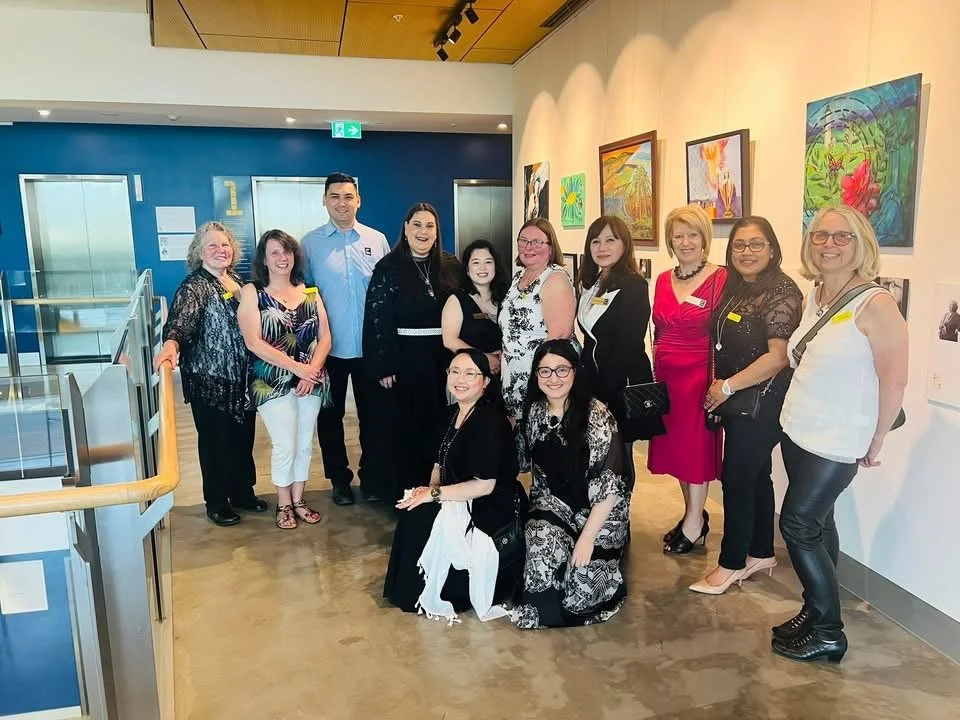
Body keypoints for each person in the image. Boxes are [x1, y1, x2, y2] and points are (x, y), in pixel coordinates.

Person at [774, 206, 908, 663]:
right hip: (799, 428)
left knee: (796, 524)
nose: (828, 244)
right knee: (819, 523)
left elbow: (895, 381)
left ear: (861, 244)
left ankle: (830, 631)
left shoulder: (877, 303)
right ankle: (815, 611)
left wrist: (877, 439)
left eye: (841, 237)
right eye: (820, 235)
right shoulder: (817, 295)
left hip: (839, 437)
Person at [690, 217, 802, 595]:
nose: (747, 252)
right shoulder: (738, 287)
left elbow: (778, 357)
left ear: (772, 249)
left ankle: (730, 564)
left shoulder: (782, 292)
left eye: (756, 244)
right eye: (739, 245)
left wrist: (728, 386)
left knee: (736, 479)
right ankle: (760, 551)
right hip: (738, 398)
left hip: (763, 401)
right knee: (755, 476)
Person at [382, 349, 524, 623]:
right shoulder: (449, 414)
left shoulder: (491, 421)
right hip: (455, 494)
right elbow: (437, 464)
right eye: (455, 371)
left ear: (485, 382)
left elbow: (485, 486)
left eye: (470, 374)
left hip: (488, 506)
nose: (461, 379)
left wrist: (434, 495)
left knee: (421, 521)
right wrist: (427, 493)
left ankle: (446, 590)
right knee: (414, 515)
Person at [512, 340, 630, 629]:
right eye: (545, 371)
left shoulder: (598, 415)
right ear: (536, 376)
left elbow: (610, 486)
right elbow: (520, 463)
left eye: (562, 370)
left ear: (576, 372)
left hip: (598, 512)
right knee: (541, 550)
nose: (553, 378)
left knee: (581, 590)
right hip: (552, 503)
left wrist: (587, 538)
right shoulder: (534, 413)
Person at [155, 222, 266, 527]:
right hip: (210, 380)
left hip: (243, 380)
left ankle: (242, 492)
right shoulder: (194, 286)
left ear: (233, 251)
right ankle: (216, 501)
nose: (220, 251)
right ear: (199, 252)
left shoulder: (240, 282)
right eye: (212, 246)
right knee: (216, 442)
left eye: (225, 245)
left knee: (242, 439)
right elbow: (179, 323)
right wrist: (171, 344)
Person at [301, 172, 390, 506]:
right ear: (324, 200)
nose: (342, 202)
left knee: (374, 418)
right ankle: (339, 479)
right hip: (329, 350)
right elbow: (305, 298)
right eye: (335, 196)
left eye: (348, 196)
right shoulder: (310, 244)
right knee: (330, 417)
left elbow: (384, 294)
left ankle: (371, 476)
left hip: (369, 350)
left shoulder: (376, 239)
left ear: (359, 200)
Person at [363, 203, 461, 504]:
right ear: (405, 229)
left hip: (443, 359)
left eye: (429, 226)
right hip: (403, 361)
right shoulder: (388, 267)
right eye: (417, 225)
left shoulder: (450, 265)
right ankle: (405, 491)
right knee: (404, 429)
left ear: (437, 231)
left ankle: (442, 490)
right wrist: (384, 365)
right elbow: (378, 317)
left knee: (442, 424)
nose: (423, 232)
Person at [238, 230, 332, 530]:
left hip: (311, 380)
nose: (282, 258)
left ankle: (299, 500)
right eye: (274, 252)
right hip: (271, 381)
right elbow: (253, 342)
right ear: (264, 260)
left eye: (287, 251)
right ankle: (283, 504)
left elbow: (326, 338)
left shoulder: (310, 292)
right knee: (285, 445)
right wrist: (298, 368)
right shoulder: (253, 292)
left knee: (304, 444)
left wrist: (311, 371)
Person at [649, 205, 726, 554]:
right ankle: (693, 514)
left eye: (692, 234)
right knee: (679, 451)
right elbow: (658, 329)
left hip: (700, 378)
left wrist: (722, 382)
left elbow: (728, 334)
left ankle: (695, 523)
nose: (685, 241)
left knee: (696, 452)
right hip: (667, 378)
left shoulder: (722, 278)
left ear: (704, 238)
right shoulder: (664, 279)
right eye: (678, 235)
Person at [577, 215, 662, 487]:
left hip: (618, 386)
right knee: (596, 453)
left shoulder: (634, 284)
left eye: (610, 240)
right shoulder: (592, 283)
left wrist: (603, 396)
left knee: (618, 456)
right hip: (594, 383)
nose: (602, 247)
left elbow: (628, 344)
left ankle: (619, 522)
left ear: (624, 244)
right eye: (596, 241)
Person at [499, 218, 576, 425]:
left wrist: (540, 377)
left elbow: (558, 338)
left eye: (537, 242)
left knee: (538, 437)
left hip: (541, 377)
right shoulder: (519, 277)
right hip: (514, 373)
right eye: (523, 241)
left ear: (551, 248)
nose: (528, 247)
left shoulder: (555, 279)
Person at [441, 239, 508, 402]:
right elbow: (449, 340)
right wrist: (484, 359)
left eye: (488, 262)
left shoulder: (507, 298)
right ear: (468, 270)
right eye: (476, 262)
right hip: (468, 380)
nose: (483, 268)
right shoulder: (456, 300)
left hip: (502, 378)